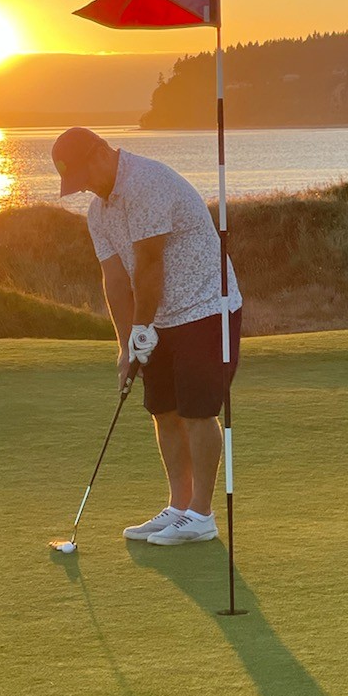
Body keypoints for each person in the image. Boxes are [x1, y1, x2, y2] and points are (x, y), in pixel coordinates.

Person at [51, 127, 243, 544]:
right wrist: (127, 345)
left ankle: (201, 515)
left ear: (101, 152)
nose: (85, 190)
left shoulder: (147, 183)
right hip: (161, 318)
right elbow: (115, 278)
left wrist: (141, 328)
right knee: (164, 411)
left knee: (196, 411)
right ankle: (178, 506)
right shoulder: (99, 213)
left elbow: (149, 265)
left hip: (206, 307)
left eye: (85, 177)